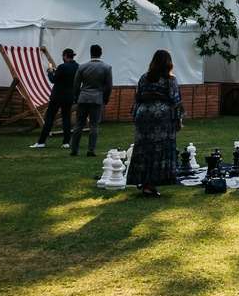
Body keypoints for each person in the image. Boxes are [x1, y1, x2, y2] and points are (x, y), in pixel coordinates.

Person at [125, 49, 184, 198]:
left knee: (143, 149)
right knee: (159, 149)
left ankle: (144, 182)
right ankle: (151, 184)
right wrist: (179, 120)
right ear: (169, 63)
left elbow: (138, 98)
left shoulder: (144, 78)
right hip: (162, 117)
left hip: (144, 114)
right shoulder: (170, 80)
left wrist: (136, 116)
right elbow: (175, 100)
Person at [32, 47, 80, 149]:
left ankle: (41, 141)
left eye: (63, 56)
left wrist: (50, 72)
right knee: (66, 119)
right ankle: (66, 142)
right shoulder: (78, 67)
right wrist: (56, 71)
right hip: (69, 96)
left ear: (65, 56)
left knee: (49, 118)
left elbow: (53, 80)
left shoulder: (62, 66)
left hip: (57, 96)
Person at [70, 43, 112, 157]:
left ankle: (74, 149)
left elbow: (76, 84)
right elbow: (108, 86)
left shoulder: (82, 67)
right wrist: (106, 98)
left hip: (83, 97)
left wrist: (77, 96)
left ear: (90, 53)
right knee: (94, 124)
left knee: (79, 124)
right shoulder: (106, 68)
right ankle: (90, 149)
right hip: (97, 98)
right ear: (101, 54)